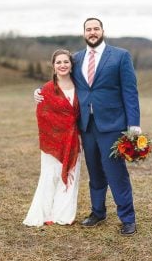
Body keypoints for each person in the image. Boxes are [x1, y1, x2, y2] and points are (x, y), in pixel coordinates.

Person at [35, 17, 141, 236]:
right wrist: (39, 91)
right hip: (85, 125)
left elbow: (130, 91)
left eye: (96, 28)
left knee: (115, 171)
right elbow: (60, 79)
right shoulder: (77, 59)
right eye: (88, 29)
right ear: (84, 33)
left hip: (112, 124)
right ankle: (97, 212)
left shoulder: (120, 56)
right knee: (94, 171)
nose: (92, 32)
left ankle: (127, 218)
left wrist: (134, 124)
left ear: (102, 30)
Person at [23, 49, 82, 226]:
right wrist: (56, 135)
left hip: (74, 140)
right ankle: (44, 214)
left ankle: (63, 215)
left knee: (72, 175)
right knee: (50, 176)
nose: (63, 65)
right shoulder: (47, 89)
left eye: (66, 62)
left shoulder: (80, 87)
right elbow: (43, 116)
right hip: (53, 141)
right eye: (59, 62)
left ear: (71, 65)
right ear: (53, 66)